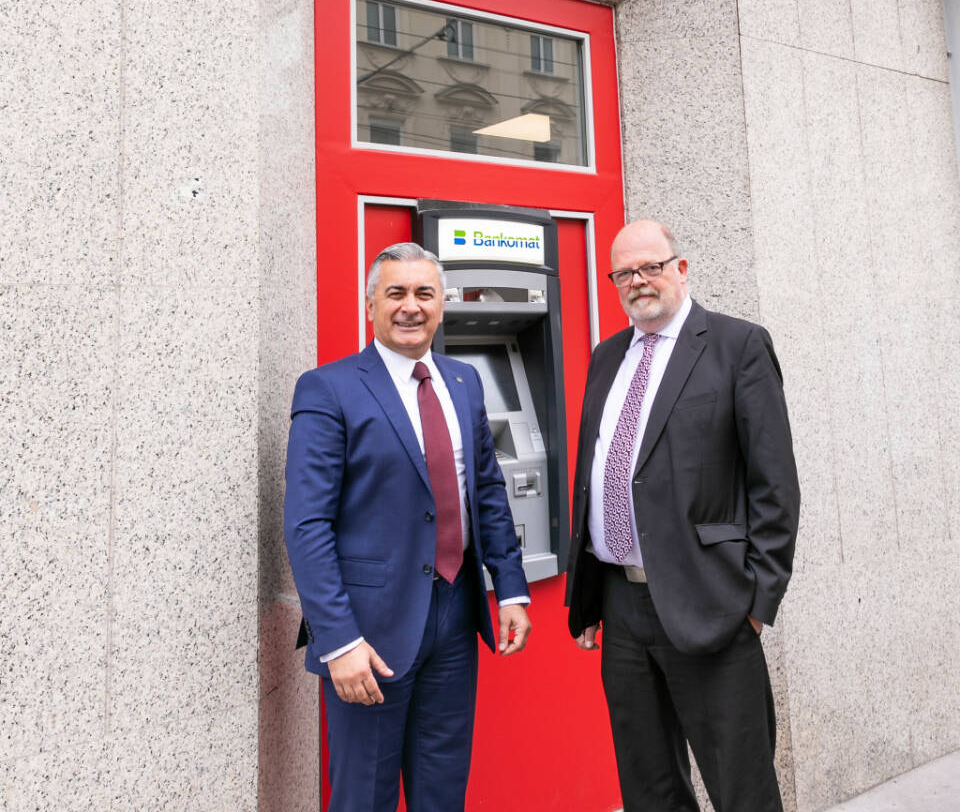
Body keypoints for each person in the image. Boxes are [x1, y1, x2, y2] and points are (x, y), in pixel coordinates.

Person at [284, 241, 531, 812]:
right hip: (368, 631)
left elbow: (485, 491)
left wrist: (511, 588)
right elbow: (307, 524)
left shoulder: (464, 381)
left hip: (454, 612)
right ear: (371, 304)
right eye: (395, 293)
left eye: (424, 293)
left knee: (443, 786)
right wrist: (338, 641)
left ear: (442, 306)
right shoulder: (329, 388)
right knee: (364, 794)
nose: (410, 306)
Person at [566, 219, 800, 812]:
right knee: (650, 788)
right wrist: (589, 593)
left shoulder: (737, 345)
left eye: (651, 267)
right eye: (624, 272)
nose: (639, 281)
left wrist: (757, 603)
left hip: (711, 604)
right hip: (622, 608)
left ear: (681, 268)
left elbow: (774, 484)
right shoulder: (607, 356)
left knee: (741, 787)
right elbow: (596, 474)